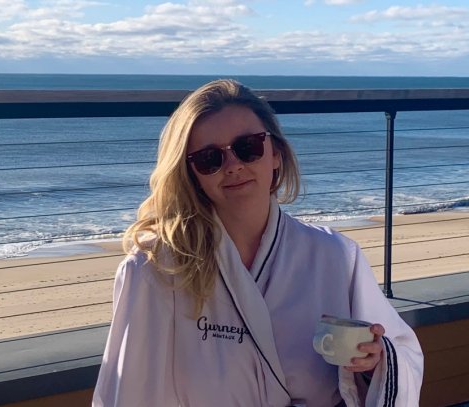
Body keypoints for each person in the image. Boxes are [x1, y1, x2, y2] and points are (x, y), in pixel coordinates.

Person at [92, 79, 423, 406]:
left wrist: (373, 363)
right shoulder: (156, 269)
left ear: (276, 154)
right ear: (191, 174)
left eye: (248, 147)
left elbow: (401, 353)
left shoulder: (334, 256)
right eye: (210, 158)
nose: (234, 166)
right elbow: (129, 395)